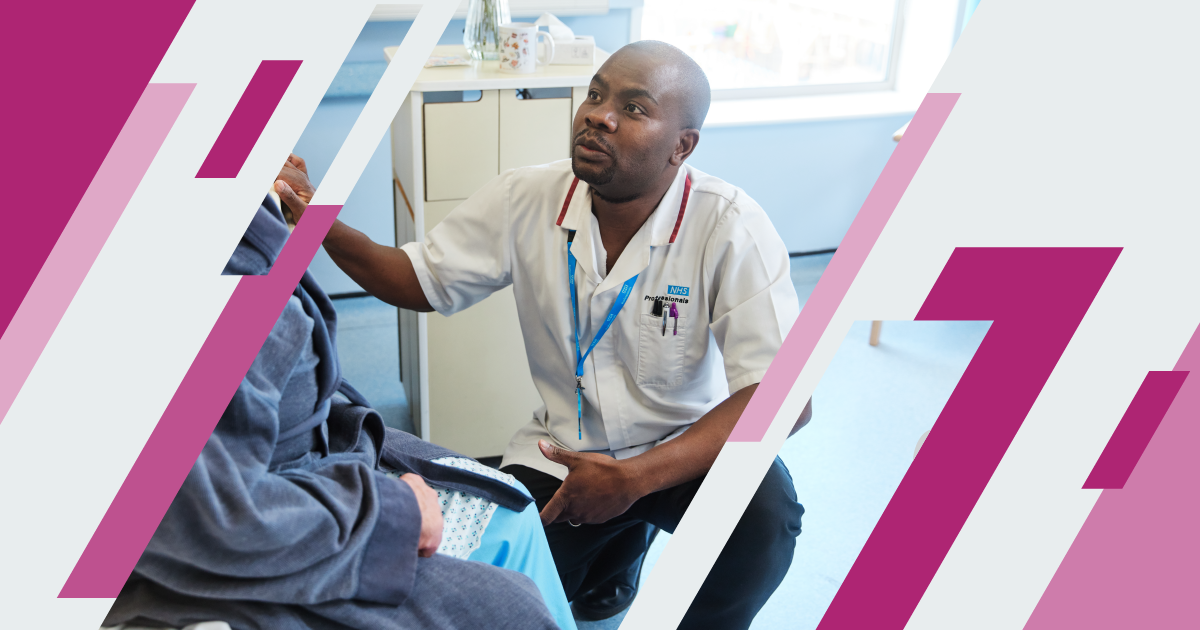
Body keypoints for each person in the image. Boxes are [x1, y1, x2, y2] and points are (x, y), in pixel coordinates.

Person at [275, 40, 812, 629]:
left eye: (634, 109)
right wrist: (313, 214)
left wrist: (634, 480)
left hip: (684, 450)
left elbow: (785, 395)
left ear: (681, 147)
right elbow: (415, 280)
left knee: (767, 521)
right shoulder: (525, 196)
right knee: (496, 593)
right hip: (565, 452)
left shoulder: (730, 225)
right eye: (597, 95)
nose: (598, 115)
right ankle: (615, 555)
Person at [103, 193, 574, 630]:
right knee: (510, 605)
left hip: (314, 454)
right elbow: (196, 512)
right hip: (268, 519)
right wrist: (395, 512)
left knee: (514, 504)